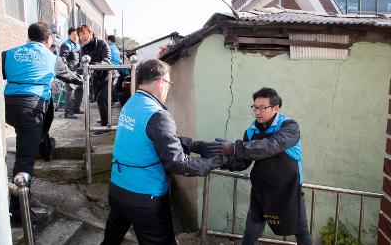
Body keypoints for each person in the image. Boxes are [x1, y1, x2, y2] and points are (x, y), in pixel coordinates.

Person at [101, 59, 229, 245]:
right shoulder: (158, 114)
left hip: (118, 190)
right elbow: (177, 162)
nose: (169, 88)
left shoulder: (131, 103)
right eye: (169, 83)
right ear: (160, 82)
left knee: (111, 240)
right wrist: (215, 162)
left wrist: (194, 145)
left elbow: (148, 139)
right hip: (145, 198)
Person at [2, 22, 83, 226]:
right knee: (24, 159)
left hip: (11, 107)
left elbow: (6, 73)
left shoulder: (8, 53)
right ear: (48, 40)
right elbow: (70, 77)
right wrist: (82, 77)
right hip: (31, 109)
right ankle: (18, 212)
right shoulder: (51, 57)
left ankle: (45, 148)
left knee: (43, 122)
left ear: (29, 37)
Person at [215, 87, 311, 245]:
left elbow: (273, 145)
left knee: (301, 232)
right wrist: (220, 160)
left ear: (275, 108)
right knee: (250, 234)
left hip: (289, 191)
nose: (257, 112)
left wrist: (234, 148)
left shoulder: (289, 126)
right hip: (261, 192)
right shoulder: (251, 131)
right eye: (255, 107)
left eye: (262, 108)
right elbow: (242, 162)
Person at [77, 24, 111, 135]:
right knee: (99, 100)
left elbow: (107, 61)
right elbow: (82, 65)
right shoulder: (83, 49)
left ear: (91, 33)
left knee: (102, 98)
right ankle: (105, 120)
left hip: (108, 77)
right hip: (95, 79)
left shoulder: (103, 44)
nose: (82, 36)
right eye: (80, 34)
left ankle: (105, 127)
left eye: (84, 33)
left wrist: (93, 66)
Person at [60, 27, 83, 119]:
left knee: (80, 89)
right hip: (70, 71)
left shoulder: (77, 45)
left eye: (78, 35)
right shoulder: (66, 45)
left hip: (78, 71)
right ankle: (68, 113)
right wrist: (66, 72)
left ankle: (76, 108)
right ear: (69, 35)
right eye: (74, 35)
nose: (76, 37)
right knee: (70, 91)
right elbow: (62, 59)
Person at [107, 35, 121, 107]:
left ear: (109, 40)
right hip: (117, 68)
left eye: (108, 40)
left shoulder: (109, 48)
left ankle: (113, 101)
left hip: (111, 68)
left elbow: (107, 58)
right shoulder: (116, 48)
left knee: (111, 85)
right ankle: (115, 100)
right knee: (114, 85)